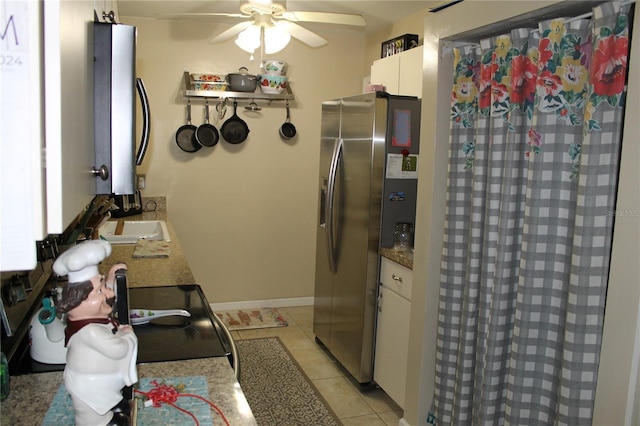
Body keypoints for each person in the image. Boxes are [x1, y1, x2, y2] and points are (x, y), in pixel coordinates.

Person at [54, 239, 138, 426]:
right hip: (89, 386)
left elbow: (106, 301)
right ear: (80, 301)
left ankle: (113, 408)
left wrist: (110, 279)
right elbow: (118, 350)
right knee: (91, 414)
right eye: (101, 290)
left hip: (102, 383)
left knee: (108, 403)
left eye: (104, 287)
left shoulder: (91, 320)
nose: (108, 294)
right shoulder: (89, 331)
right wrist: (126, 334)